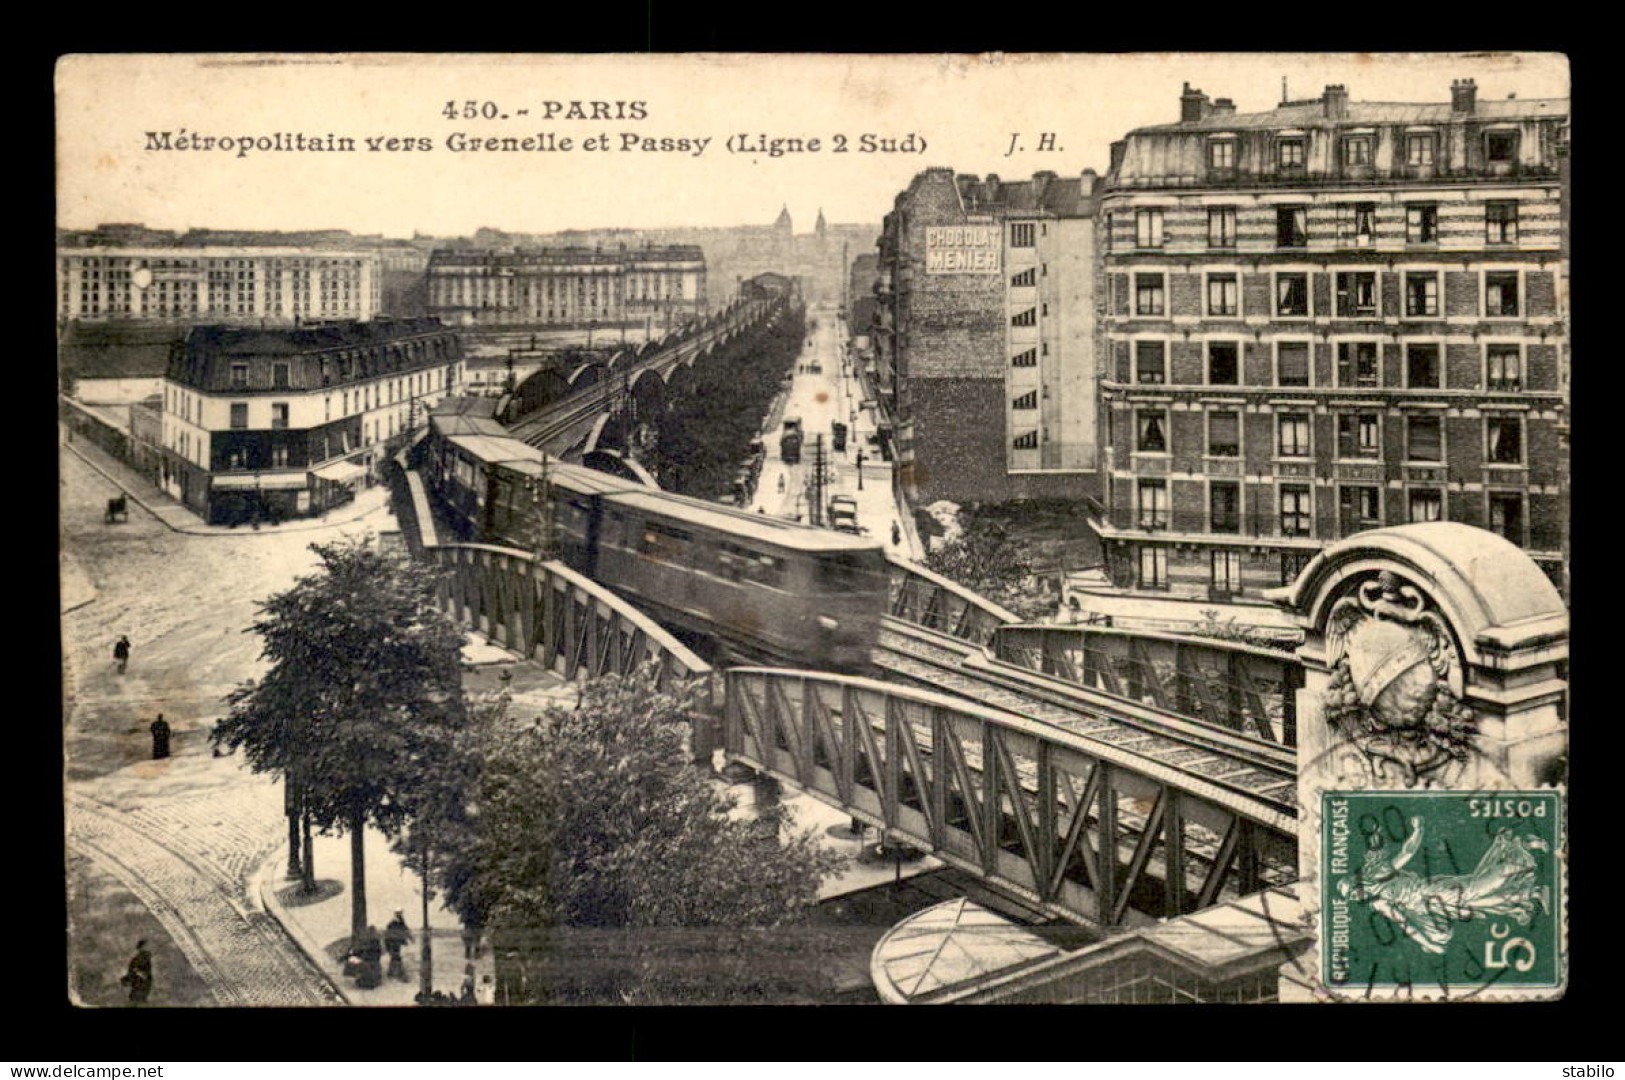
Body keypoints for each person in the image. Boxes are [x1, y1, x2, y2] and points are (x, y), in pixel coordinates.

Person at [120, 940, 153, 1006]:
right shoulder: (138, 959)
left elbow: (143, 975)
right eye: (146, 947)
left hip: (140, 990)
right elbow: (134, 973)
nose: (148, 948)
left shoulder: (142, 959)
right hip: (139, 989)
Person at [384, 911, 413, 981]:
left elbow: (405, 930)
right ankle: (400, 975)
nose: (401, 916)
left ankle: (391, 973)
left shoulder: (396, 923)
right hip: (393, 943)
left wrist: (410, 938)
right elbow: (405, 931)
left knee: (395, 958)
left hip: (393, 943)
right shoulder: (395, 924)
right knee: (396, 958)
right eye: (399, 914)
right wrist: (410, 938)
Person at [355, 925, 384, 989]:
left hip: (370, 960)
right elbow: (379, 952)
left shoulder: (369, 942)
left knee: (368, 970)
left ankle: (368, 982)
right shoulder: (375, 942)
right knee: (372, 970)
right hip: (372, 960)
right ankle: (372, 981)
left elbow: (366, 951)